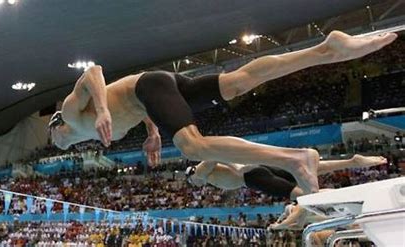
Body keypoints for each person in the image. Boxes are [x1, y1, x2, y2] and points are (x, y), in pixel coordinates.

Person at [49, 30, 397, 194]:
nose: (55, 146)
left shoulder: (71, 114)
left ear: (55, 128)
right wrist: (153, 132)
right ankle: (326, 49)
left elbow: (93, 71)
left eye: (53, 140)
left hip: (150, 86)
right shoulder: (94, 137)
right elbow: (137, 108)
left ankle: (294, 158)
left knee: (192, 146)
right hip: (159, 90)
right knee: (239, 81)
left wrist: (102, 110)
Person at [184, 154, 386, 199]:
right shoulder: (208, 176)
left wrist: (236, 166)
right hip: (259, 168)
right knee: (308, 172)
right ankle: (351, 161)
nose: (196, 185)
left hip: (252, 176)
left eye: (192, 182)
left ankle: (351, 197)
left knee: (302, 196)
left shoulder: (200, 173)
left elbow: (213, 154)